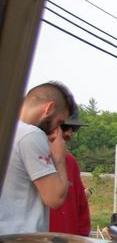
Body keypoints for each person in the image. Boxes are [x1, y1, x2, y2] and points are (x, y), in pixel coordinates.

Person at [0, 81, 76, 234]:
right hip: (21, 242)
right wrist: (59, 157)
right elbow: (54, 198)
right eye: (59, 122)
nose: (57, 129)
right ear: (49, 108)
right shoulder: (31, 135)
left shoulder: (7, 130)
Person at [48, 114, 91, 237]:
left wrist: (81, 241)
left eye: (74, 129)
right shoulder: (28, 157)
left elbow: (81, 208)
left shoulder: (71, 162)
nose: (69, 134)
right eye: (65, 127)